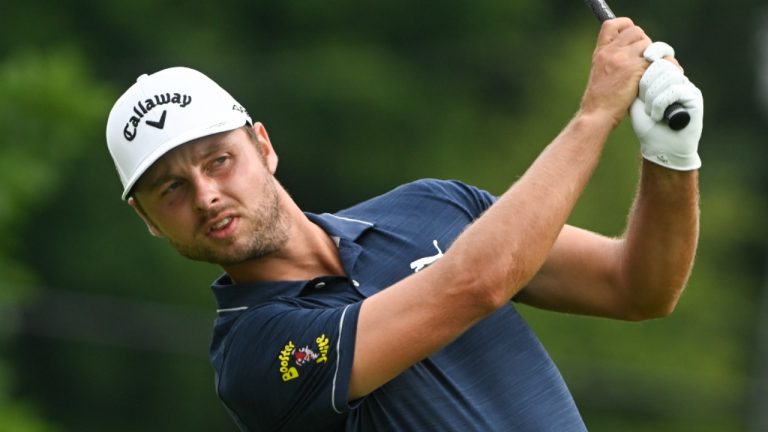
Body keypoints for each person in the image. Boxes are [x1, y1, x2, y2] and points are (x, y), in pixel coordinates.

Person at [105, 18, 702, 431]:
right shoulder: (255, 356)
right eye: (172, 188)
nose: (207, 196)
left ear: (262, 146)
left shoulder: (433, 208)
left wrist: (671, 160)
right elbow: (474, 285)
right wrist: (595, 115)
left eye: (219, 160)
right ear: (148, 220)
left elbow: (637, 287)